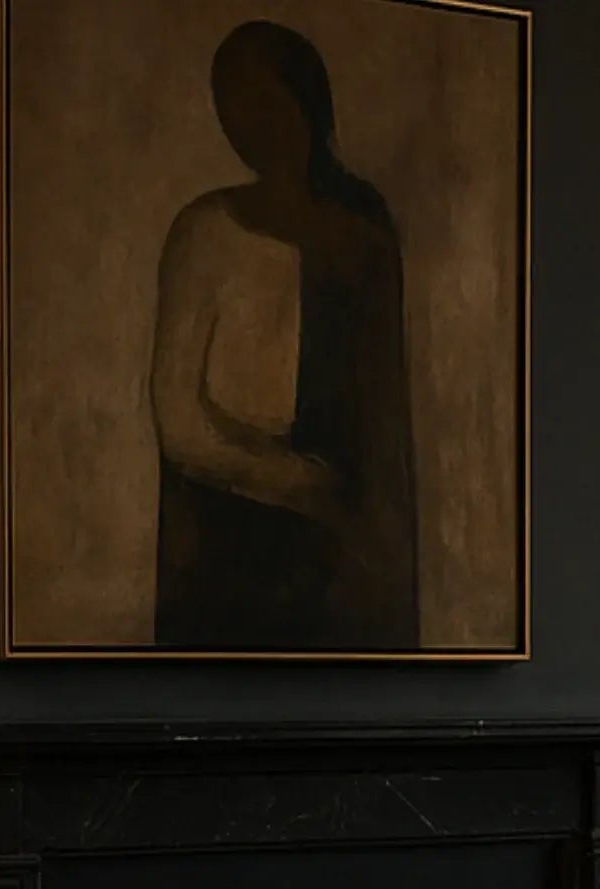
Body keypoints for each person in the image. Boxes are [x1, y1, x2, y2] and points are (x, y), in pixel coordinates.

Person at [150, 20, 418, 650]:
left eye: (265, 101)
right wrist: (293, 483)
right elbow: (178, 418)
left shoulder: (363, 227)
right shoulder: (204, 230)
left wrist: (363, 518)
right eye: (231, 104)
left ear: (307, 101)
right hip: (231, 524)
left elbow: (384, 402)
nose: (249, 123)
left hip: (343, 530)